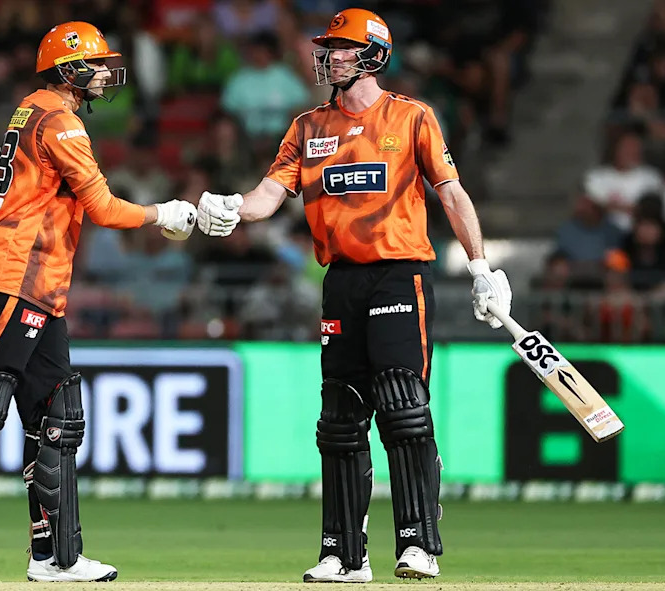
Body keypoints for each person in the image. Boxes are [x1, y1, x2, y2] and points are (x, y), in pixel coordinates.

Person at [196, 8, 511, 582]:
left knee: (403, 408)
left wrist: (481, 268)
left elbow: (451, 192)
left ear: (371, 55)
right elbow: (270, 194)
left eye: (341, 47)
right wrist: (232, 208)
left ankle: (418, 542)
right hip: (340, 282)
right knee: (340, 418)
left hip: (400, 273)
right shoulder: (307, 127)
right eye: (329, 47)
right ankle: (344, 554)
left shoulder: (412, 117)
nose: (329, 56)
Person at [0, 21, 197, 583]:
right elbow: (104, 208)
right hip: (15, 275)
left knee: (58, 415)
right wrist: (164, 213)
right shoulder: (59, 122)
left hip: (41, 284)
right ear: (68, 69)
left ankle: (56, 558)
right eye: (97, 63)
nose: (107, 72)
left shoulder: (34, 109)